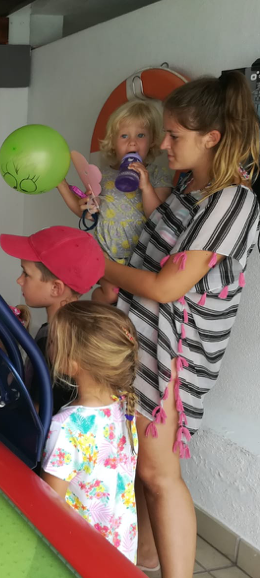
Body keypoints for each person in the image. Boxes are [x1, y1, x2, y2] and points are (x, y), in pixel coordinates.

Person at [104, 73, 260, 577]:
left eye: (173, 135)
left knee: (159, 473)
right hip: (143, 338)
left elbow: (168, 287)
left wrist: (97, 265)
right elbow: (159, 242)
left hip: (175, 354)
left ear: (211, 137)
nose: (162, 144)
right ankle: (146, 557)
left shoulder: (233, 201)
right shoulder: (192, 184)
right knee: (141, 465)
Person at [41, 301, 139, 563]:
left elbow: (50, 506)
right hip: (122, 549)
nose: (48, 346)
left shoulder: (67, 425)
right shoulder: (125, 404)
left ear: (73, 364)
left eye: (53, 342)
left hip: (82, 554)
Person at [55, 100, 173, 304]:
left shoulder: (157, 175)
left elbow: (158, 216)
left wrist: (145, 186)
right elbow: (84, 212)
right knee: (111, 294)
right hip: (107, 256)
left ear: (153, 140)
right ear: (113, 142)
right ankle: (95, 306)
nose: (132, 143)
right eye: (124, 136)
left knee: (137, 300)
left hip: (141, 257)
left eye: (141, 135)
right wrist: (63, 186)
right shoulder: (102, 176)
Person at [0, 225, 105, 414]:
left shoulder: (58, 346)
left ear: (56, 288)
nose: (19, 280)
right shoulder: (52, 332)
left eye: (26, 274)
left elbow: (43, 413)